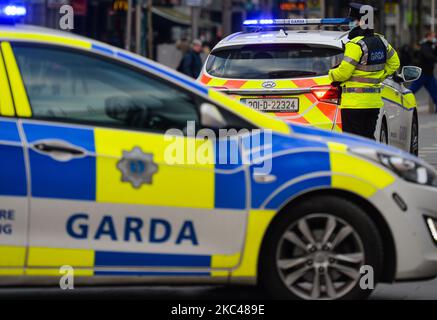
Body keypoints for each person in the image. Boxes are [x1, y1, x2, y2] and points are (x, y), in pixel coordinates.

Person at [328, 2, 400, 140]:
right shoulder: (381, 41)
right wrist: (379, 76)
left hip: (354, 103)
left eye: (353, 20)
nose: (351, 24)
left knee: (354, 142)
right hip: (373, 102)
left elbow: (343, 73)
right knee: (368, 140)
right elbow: (395, 62)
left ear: (361, 21)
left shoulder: (355, 44)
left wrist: (330, 74)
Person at [410, 31, 437, 112]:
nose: (434, 38)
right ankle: (404, 103)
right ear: (428, 36)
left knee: (435, 92)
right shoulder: (424, 46)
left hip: (429, 74)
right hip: (422, 74)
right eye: (433, 36)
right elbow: (428, 56)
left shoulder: (431, 46)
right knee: (412, 90)